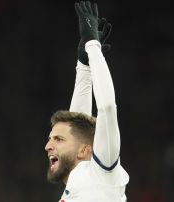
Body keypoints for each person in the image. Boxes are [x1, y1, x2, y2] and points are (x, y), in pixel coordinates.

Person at [44, 1, 129, 201]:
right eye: (51, 138)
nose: (47, 145)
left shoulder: (104, 175)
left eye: (58, 139)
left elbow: (107, 108)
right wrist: (84, 66)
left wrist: (93, 45)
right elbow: (78, 123)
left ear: (85, 150)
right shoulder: (76, 186)